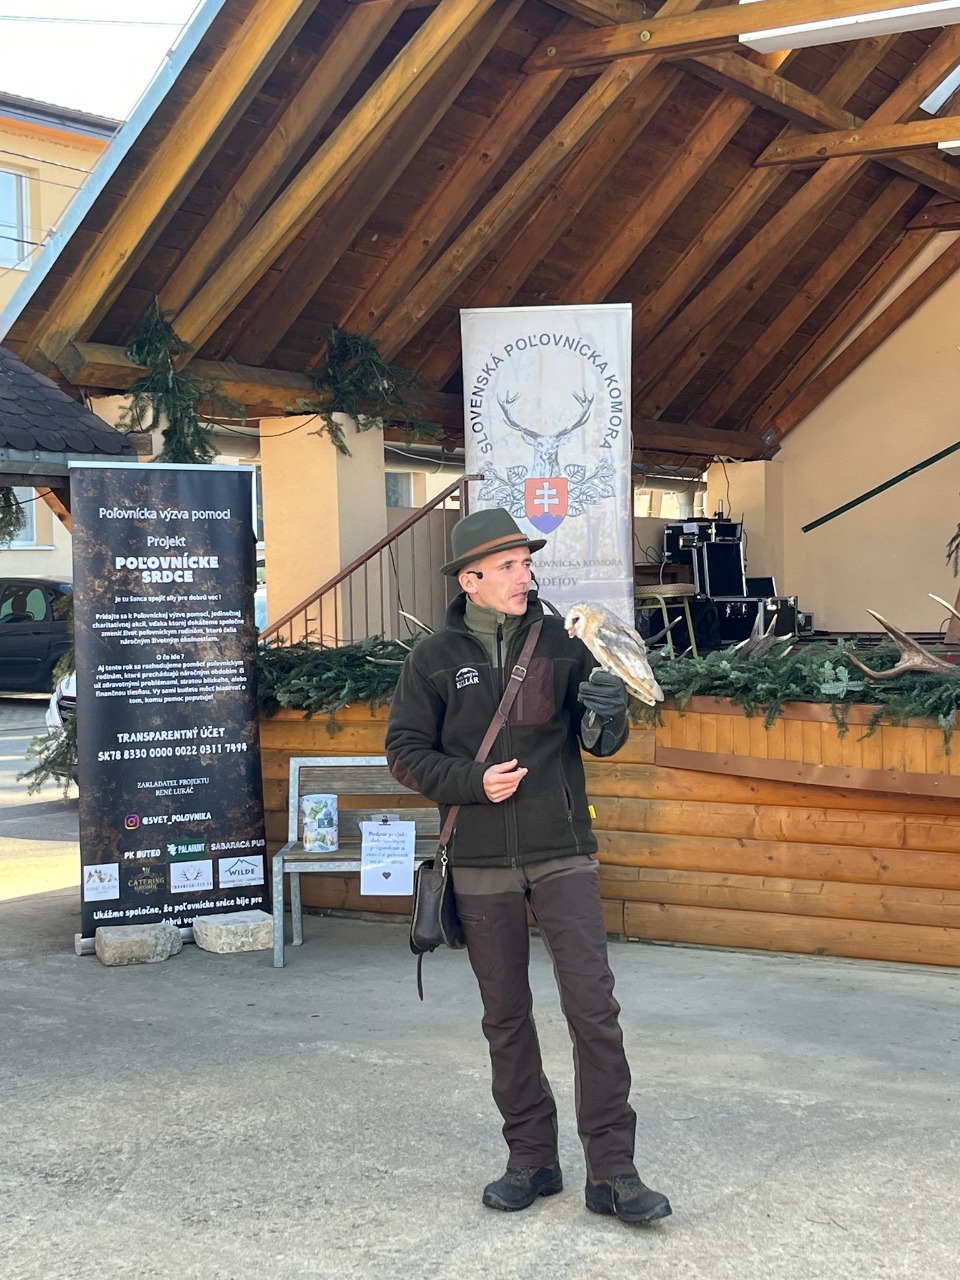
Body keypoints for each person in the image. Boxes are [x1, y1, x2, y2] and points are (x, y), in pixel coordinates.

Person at [385, 507, 671, 1227]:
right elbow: (405, 753)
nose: (525, 575)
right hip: (479, 860)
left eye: (526, 563)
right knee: (506, 1017)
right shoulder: (432, 658)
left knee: (594, 1010)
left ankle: (614, 1172)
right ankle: (532, 1160)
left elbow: (598, 740)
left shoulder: (565, 643)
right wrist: (470, 782)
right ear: (470, 579)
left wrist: (606, 711)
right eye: (508, 566)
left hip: (562, 850)